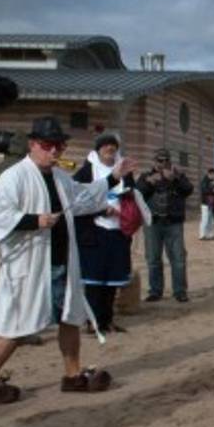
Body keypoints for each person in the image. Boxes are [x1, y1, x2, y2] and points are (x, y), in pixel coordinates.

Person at [0, 117, 137, 405]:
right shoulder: (14, 176)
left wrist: (113, 178)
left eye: (59, 145)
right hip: (30, 264)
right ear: (33, 145)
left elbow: (82, 198)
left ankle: (72, 374)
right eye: (48, 145)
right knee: (19, 325)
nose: (55, 151)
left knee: (69, 316)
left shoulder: (59, 177)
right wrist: (35, 220)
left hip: (61, 261)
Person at [72, 133, 137, 334]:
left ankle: (107, 320)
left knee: (112, 280)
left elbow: (133, 194)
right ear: (98, 149)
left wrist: (128, 205)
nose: (110, 149)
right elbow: (78, 200)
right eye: (106, 146)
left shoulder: (124, 171)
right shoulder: (86, 172)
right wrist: (102, 209)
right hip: (95, 231)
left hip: (118, 232)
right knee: (94, 280)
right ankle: (92, 322)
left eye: (113, 146)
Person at [136, 148, 193, 303]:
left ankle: (180, 291)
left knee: (178, 258)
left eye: (166, 160)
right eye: (160, 160)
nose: (163, 163)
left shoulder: (178, 175)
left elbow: (189, 190)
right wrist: (151, 181)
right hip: (153, 223)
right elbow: (138, 192)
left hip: (173, 222)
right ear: (154, 161)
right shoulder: (146, 176)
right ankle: (155, 291)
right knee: (153, 258)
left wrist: (176, 178)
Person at [199, 167, 214, 240]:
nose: (213, 175)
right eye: (212, 174)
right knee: (205, 219)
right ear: (208, 174)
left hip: (213, 203)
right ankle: (202, 234)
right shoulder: (204, 181)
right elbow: (205, 190)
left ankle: (210, 234)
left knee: (212, 219)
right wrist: (213, 190)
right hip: (205, 203)